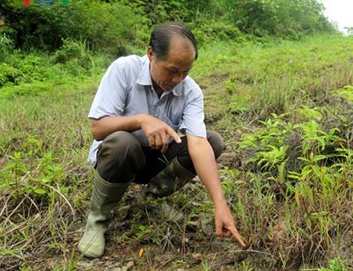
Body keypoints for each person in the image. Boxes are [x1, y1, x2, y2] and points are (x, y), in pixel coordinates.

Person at [78, 22, 245, 258]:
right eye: (172, 70)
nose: (178, 79)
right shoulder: (124, 70)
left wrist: (220, 205)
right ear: (150, 54)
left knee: (212, 141)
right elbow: (98, 128)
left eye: (186, 72)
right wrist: (140, 120)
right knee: (121, 143)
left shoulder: (191, 91)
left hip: (157, 160)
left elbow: (198, 144)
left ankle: (148, 199)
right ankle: (98, 221)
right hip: (121, 159)